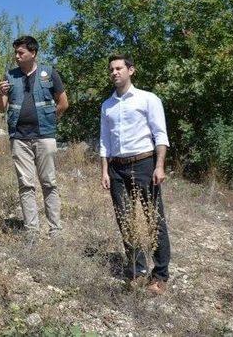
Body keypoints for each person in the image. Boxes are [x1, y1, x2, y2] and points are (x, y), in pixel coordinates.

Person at [100, 54, 171, 295]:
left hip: (144, 163)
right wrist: (104, 170)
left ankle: (160, 274)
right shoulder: (107, 105)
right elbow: (104, 140)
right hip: (117, 168)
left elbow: (160, 134)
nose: (114, 72)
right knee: (125, 220)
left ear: (131, 70)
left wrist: (159, 166)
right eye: (111, 69)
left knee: (154, 219)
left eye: (119, 68)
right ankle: (137, 270)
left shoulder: (148, 99)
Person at [0, 36, 69, 241]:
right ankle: (32, 231)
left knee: (49, 183)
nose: (17, 57)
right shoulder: (10, 76)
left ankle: (55, 230)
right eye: (15, 53)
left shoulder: (49, 73)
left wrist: (50, 120)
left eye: (21, 53)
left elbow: (63, 103)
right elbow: (0, 108)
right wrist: (0, 93)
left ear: (33, 53)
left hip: (45, 137)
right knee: (26, 185)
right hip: (19, 138)